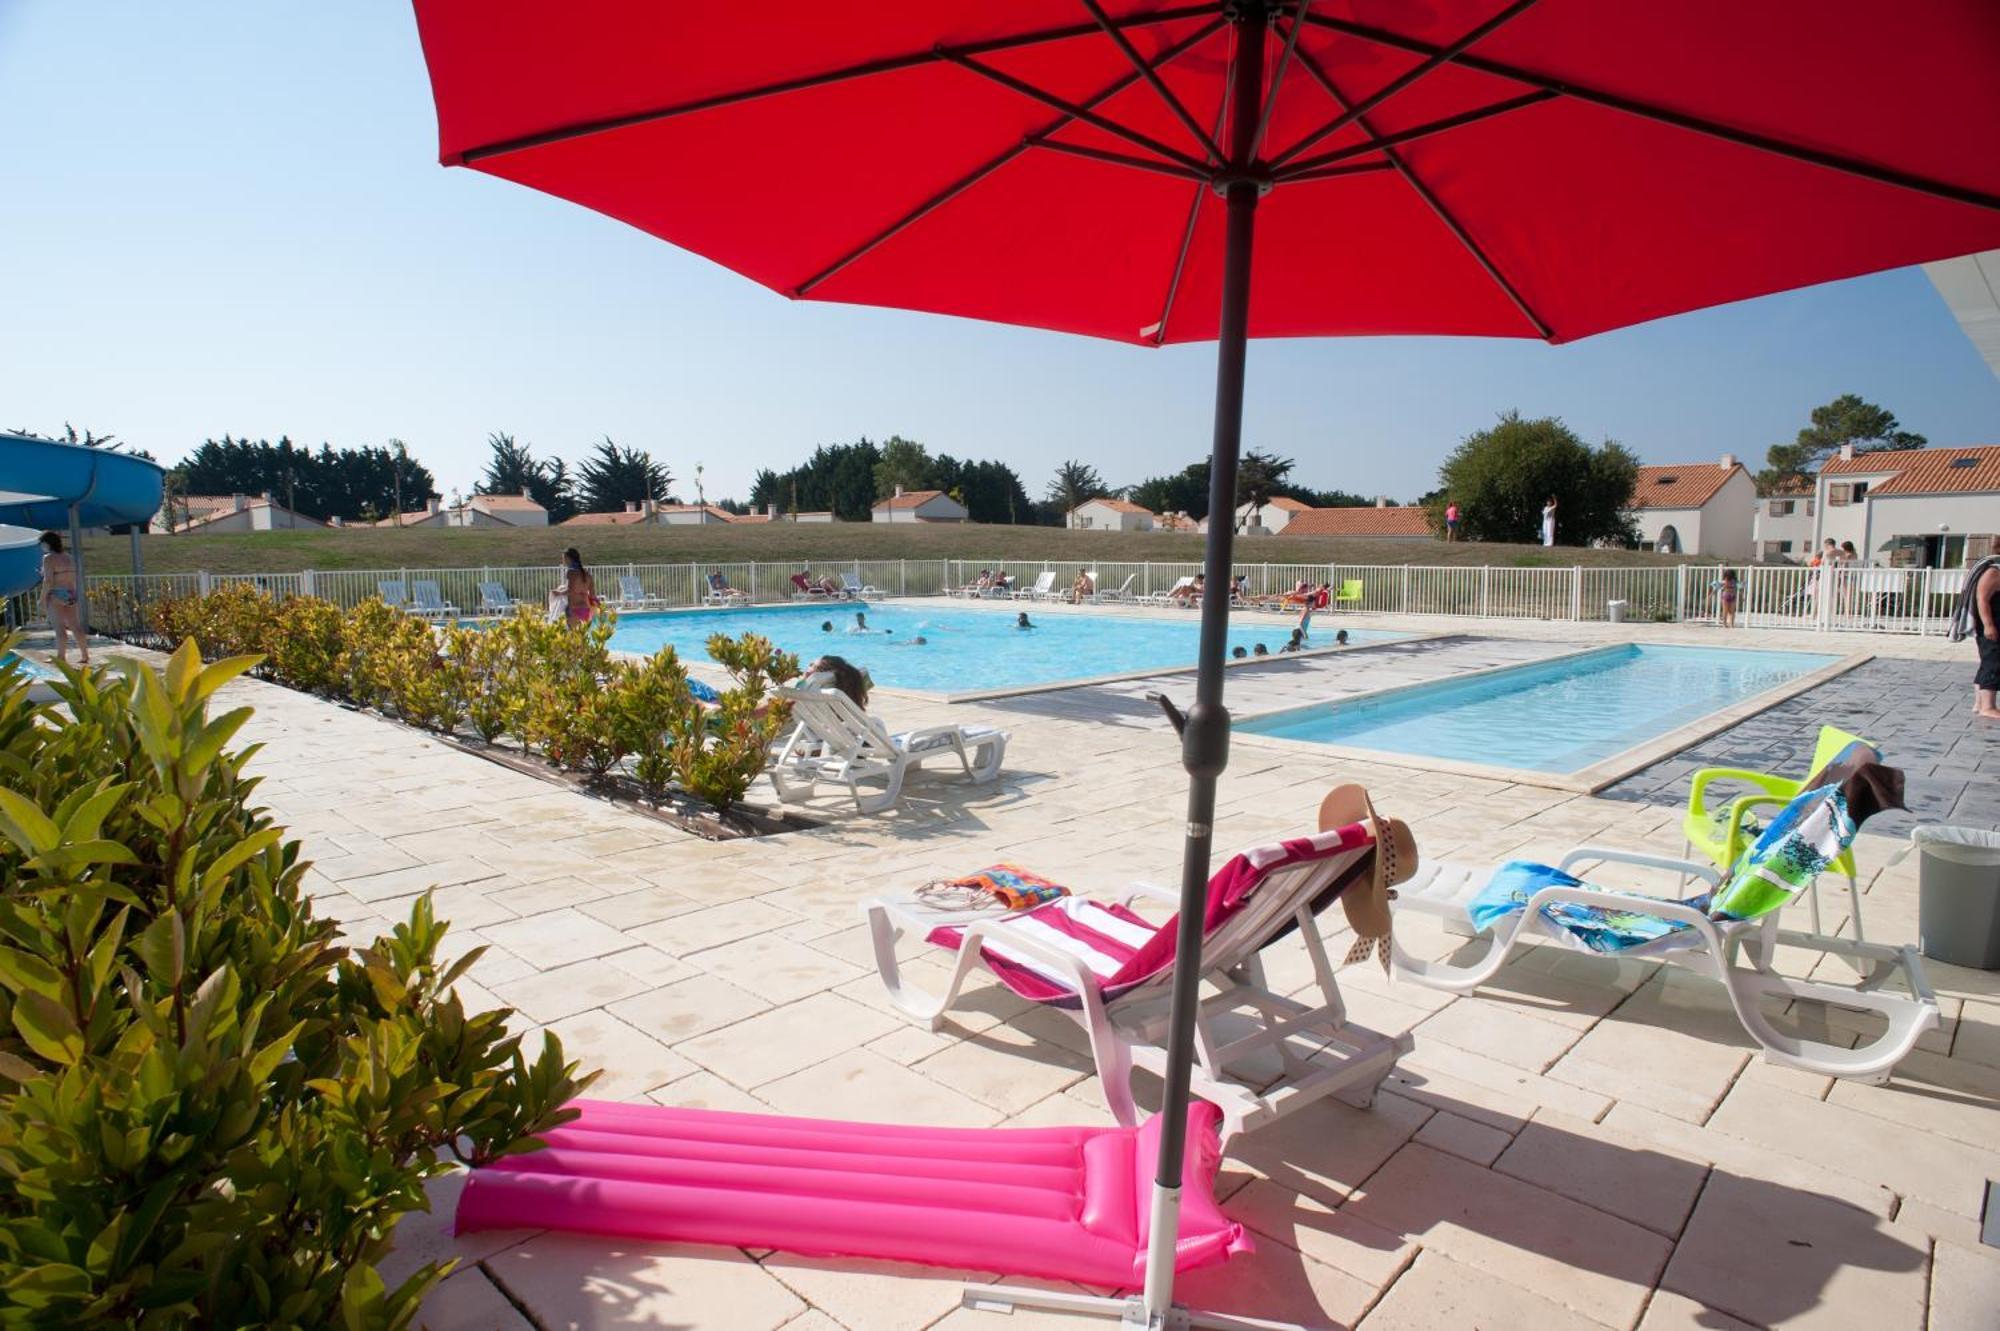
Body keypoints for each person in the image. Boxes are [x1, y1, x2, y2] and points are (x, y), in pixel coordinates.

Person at [38, 531, 85, 665]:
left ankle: (61, 657)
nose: (41, 546)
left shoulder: (48, 558)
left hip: (56, 595)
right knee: (76, 626)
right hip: (71, 593)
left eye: (42, 543)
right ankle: (85, 655)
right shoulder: (69, 557)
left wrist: (42, 599)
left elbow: (48, 581)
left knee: (59, 628)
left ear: (47, 543)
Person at [1963, 559, 2000, 719]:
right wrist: (1988, 625)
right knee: (1994, 663)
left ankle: (1979, 704)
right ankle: (1988, 706)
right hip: (1992, 625)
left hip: (1995, 624)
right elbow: (1982, 599)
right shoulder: (1994, 571)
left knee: (1988, 662)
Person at [557, 547, 597, 624]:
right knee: (582, 634)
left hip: (573, 609)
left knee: (573, 635)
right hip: (586, 609)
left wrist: (557, 593)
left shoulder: (571, 572)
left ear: (568, 559)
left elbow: (570, 591)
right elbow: (593, 595)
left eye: (563, 558)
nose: (563, 561)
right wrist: (593, 610)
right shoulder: (587, 574)